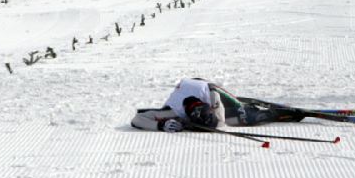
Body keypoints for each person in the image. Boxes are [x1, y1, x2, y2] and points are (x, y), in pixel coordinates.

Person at [131, 78, 305, 132]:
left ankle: (279, 112)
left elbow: (220, 123)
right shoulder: (172, 111)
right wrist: (161, 125)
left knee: (240, 113)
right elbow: (137, 119)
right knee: (233, 118)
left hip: (204, 85)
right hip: (188, 88)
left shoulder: (212, 96)